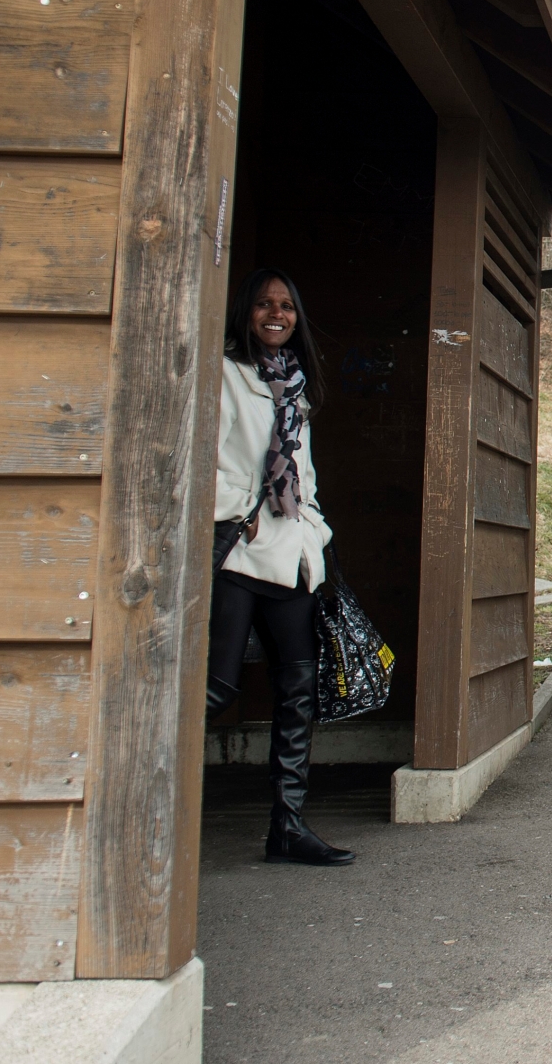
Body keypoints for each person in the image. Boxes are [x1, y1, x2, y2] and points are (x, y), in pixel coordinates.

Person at [206, 268, 354, 866]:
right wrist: (241, 509)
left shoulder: (296, 386)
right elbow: (208, 457)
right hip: (240, 548)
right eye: (266, 304)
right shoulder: (224, 373)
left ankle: (287, 827)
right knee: (214, 689)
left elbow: (303, 470)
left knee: (298, 691)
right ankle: (146, 807)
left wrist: (315, 529)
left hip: (292, 553)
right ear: (246, 311)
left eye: (287, 306)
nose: (277, 313)